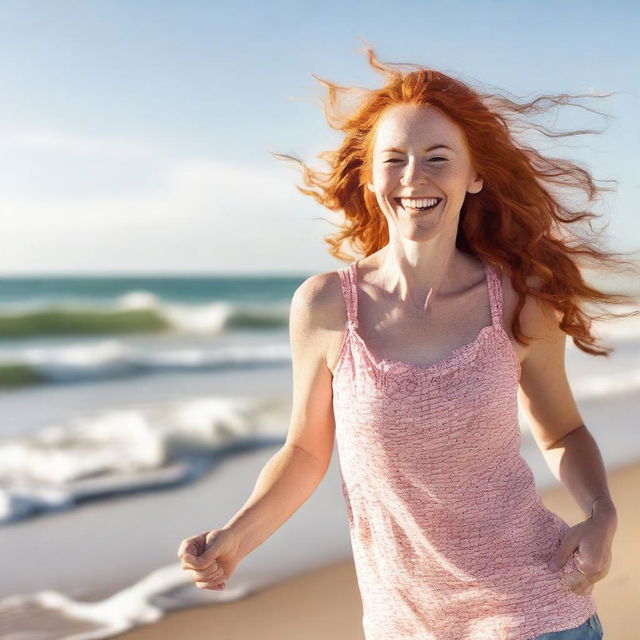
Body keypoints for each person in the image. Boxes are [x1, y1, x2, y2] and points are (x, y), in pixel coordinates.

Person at [178, 45, 638, 639]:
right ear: (370, 178)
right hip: (403, 624)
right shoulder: (325, 306)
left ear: (474, 176)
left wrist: (602, 513)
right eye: (394, 159)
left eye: (437, 158)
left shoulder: (521, 304)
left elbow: (562, 431)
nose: (414, 177)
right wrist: (239, 535)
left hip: (536, 612)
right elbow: (306, 452)